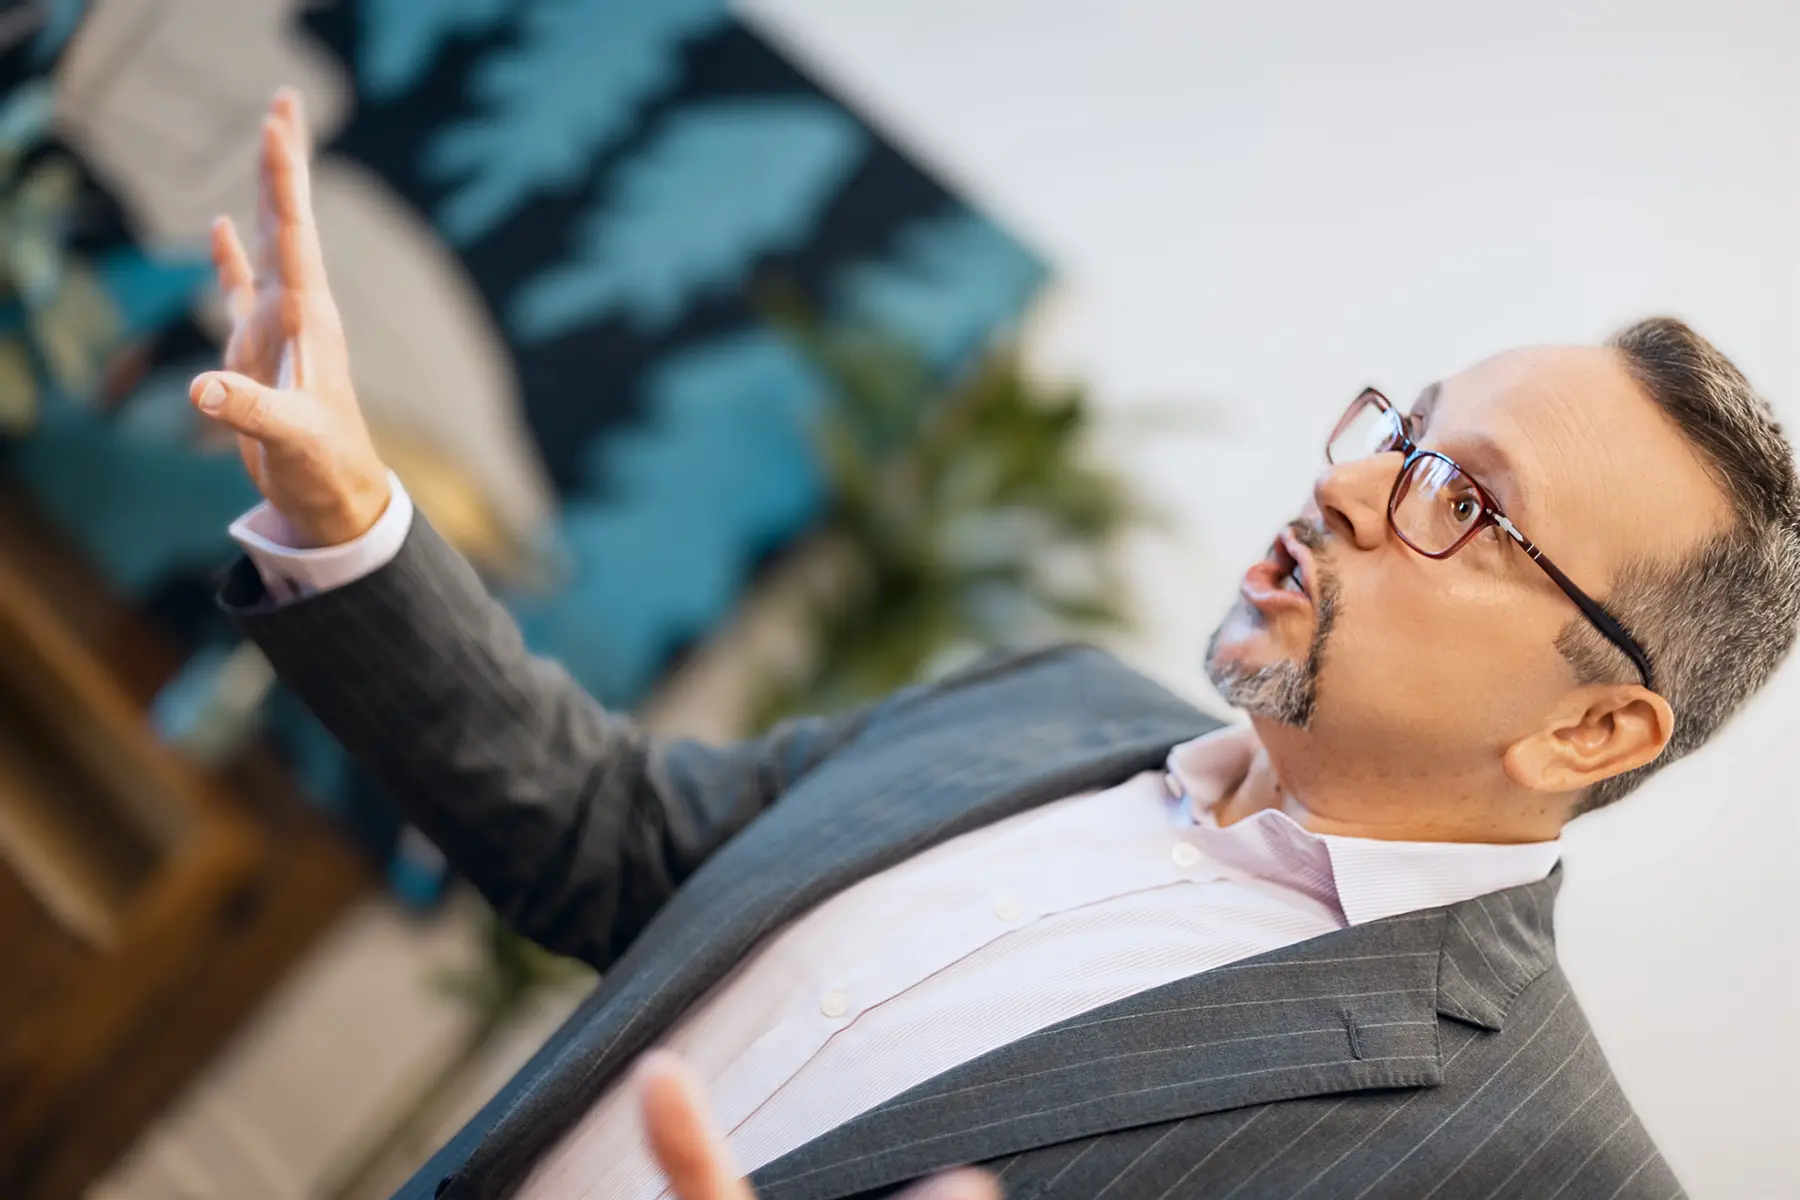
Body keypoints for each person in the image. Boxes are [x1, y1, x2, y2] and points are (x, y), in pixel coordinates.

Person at [193, 91, 1800, 1200]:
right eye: (1405, 427)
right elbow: (613, 844)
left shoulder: (1536, 1169)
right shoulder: (1049, 699)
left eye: (1459, 496)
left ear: (1591, 730)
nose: (1345, 484)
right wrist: (348, 515)